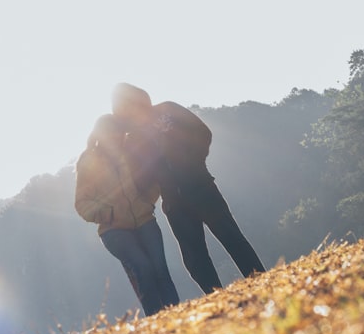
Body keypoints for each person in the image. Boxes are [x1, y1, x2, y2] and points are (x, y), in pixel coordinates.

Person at [111, 83, 266, 294]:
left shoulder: (167, 110)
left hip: (201, 186)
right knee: (194, 256)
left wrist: (194, 163)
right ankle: (216, 297)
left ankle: (260, 281)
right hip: (174, 203)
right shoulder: (131, 140)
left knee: (231, 237)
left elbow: (202, 133)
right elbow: (139, 178)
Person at [74, 114, 180, 316]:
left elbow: (153, 178)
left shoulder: (131, 153)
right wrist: (109, 214)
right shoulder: (88, 160)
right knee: (143, 269)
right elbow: (81, 203)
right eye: (109, 132)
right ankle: (157, 322)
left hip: (145, 221)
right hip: (114, 230)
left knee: (160, 271)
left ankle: (177, 319)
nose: (114, 136)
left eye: (117, 131)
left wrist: (147, 201)